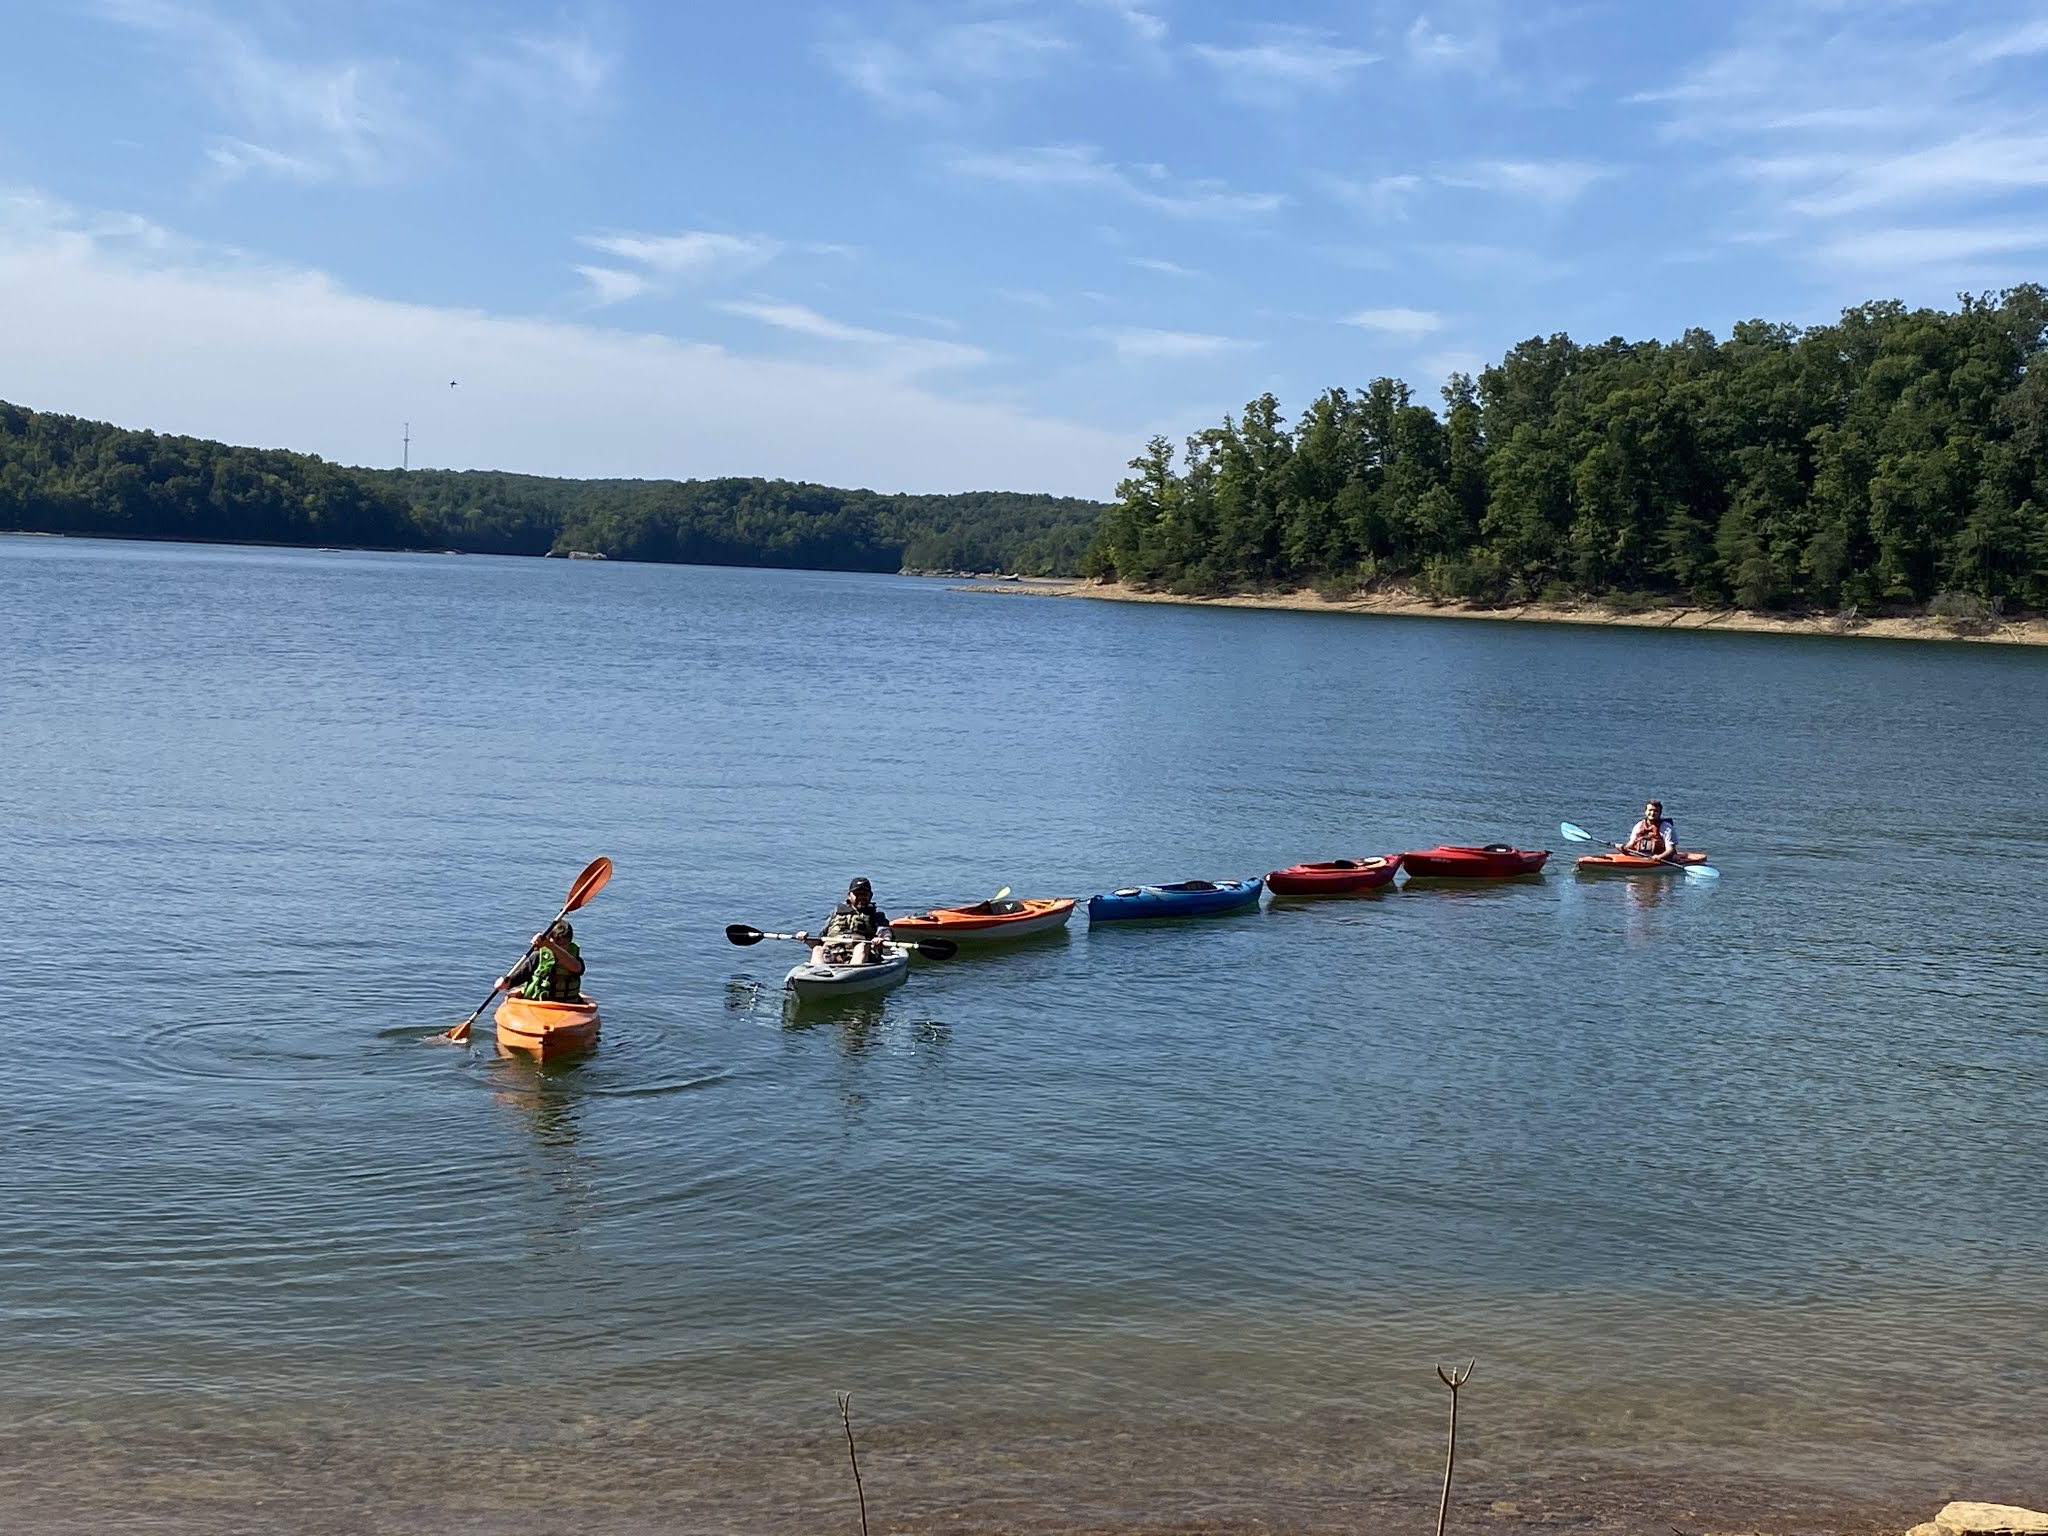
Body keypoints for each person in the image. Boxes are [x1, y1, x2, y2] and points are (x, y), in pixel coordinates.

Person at [799, 877, 893, 966]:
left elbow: (885, 931)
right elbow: (820, 940)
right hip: (833, 954)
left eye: (865, 894)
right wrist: (806, 939)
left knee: (861, 947)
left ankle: (853, 972)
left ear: (870, 896)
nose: (861, 897)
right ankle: (818, 972)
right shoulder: (836, 913)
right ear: (849, 895)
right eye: (857, 894)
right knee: (817, 949)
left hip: (862, 956)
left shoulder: (876, 915)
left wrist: (882, 939)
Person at [496, 918, 586, 1002]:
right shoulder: (538, 956)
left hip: (567, 1005)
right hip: (539, 1003)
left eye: (564, 944)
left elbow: (576, 968)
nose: (560, 948)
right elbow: (521, 975)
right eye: (557, 944)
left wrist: (550, 945)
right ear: (550, 939)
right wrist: (506, 983)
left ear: (570, 942)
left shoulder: (574, 959)